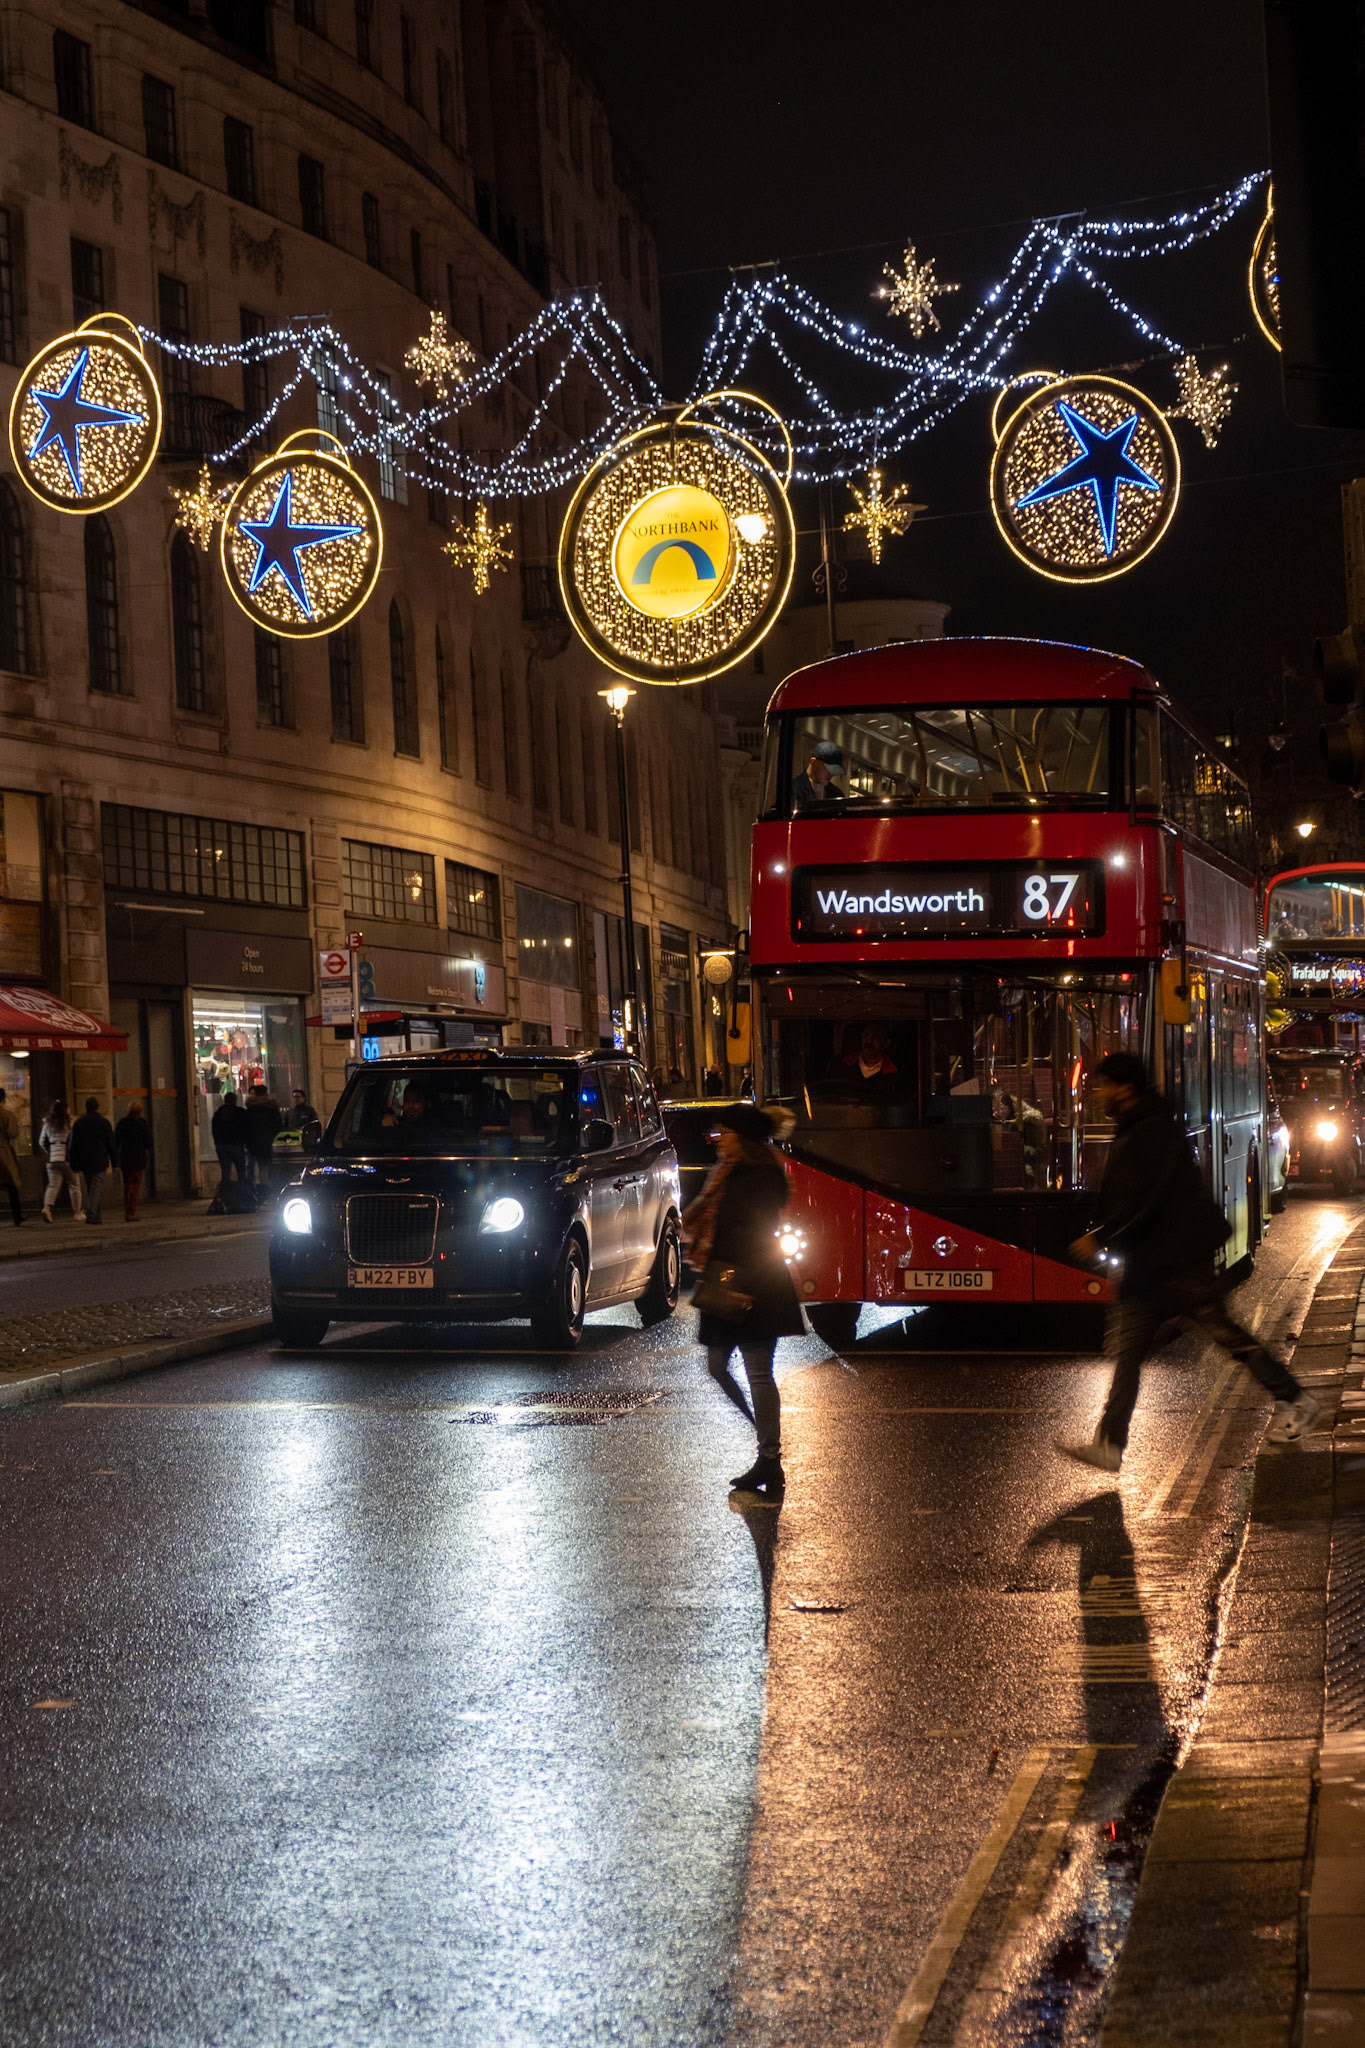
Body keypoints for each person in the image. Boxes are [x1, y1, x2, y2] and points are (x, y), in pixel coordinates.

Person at [1059, 1052, 1320, 1473]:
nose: (1099, 1093)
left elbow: (1150, 1199)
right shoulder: (1134, 1127)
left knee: (1229, 1339)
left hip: (1179, 1266)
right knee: (1129, 1357)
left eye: (1105, 1085)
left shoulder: (1154, 1130)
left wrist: (1103, 1237)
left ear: (1125, 1087)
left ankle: (1298, 1401)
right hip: (1150, 1268)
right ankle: (1109, 1444)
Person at [682, 1102, 805, 1500]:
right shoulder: (729, 1171)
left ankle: (769, 1455)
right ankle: (765, 1437)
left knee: (758, 1373)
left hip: (755, 1282)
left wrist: (743, 1284)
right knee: (717, 1365)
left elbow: (757, 1235)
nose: (719, 1140)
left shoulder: (762, 1176)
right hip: (724, 1277)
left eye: (725, 1133)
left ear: (744, 1137)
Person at [68, 1096, 115, 1225]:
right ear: (97, 1107)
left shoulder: (79, 1123)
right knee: (96, 1187)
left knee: (91, 1187)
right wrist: (115, 1161)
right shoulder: (104, 1122)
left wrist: (73, 1162)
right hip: (99, 1159)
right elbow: (111, 1143)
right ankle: (92, 1213)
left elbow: (73, 1145)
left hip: (85, 1160)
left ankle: (96, 1216)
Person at [39, 1099, 81, 1221]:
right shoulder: (71, 1122)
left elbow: (41, 1142)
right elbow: (76, 1141)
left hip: (52, 1160)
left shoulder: (47, 1123)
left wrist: (50, 1151)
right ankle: (77, 1213)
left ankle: (46, 1208)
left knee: (52, 1185)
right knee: (74, 1186)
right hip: (67, 1159)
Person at [113, 1100, 154, 1221]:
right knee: (134, 1186)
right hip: (137, 1159)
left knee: (127, 1185)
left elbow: (116, 1140)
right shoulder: (142, 1124)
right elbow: (148, 1143)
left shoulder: (121, 1123)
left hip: (124, 1158)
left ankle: (127, 1209)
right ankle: (130, 1212)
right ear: (140, 1112)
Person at [244, 1083, 282, 1191]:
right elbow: (279, 1127)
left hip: (251, 1144)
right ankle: (264, 1191)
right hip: (267, 1144)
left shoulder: (250, 1110)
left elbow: (245, 1127)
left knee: (249, 1168)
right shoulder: (272, 1109)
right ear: (266, 1094)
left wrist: (246, 1141)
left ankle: (250, 1191)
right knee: (264, 1169)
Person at [834, 1022, 899, 1083]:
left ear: (886, 1043)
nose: (869, 1040)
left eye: (876, 1036)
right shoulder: (843, 1065)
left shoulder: (894, 1072)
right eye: (866, 1035)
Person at [211, 1090, 250, 1188]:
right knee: (241, 1172)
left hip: (222, 1146)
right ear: (235, 1100)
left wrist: (218, 1144)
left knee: (225, 1172)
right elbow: (246, 1128)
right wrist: (245, 1142)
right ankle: (242, 1195)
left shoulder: (218, 1113)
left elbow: (214, 1130)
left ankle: (224, 1195)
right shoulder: (241, 1112)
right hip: (237, 1145)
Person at [792, 739, 846, 806]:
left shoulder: (837, 794)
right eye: (828, 768)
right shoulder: (794, 789)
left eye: (834, 770)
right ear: (813, 762)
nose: (831, 773)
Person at [0, 1087, 23, 1226]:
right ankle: (17, 1216)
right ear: (3, 1098)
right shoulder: (7, 1114)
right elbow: (13, 1133)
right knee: (12, 1184)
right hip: (3, 1152)